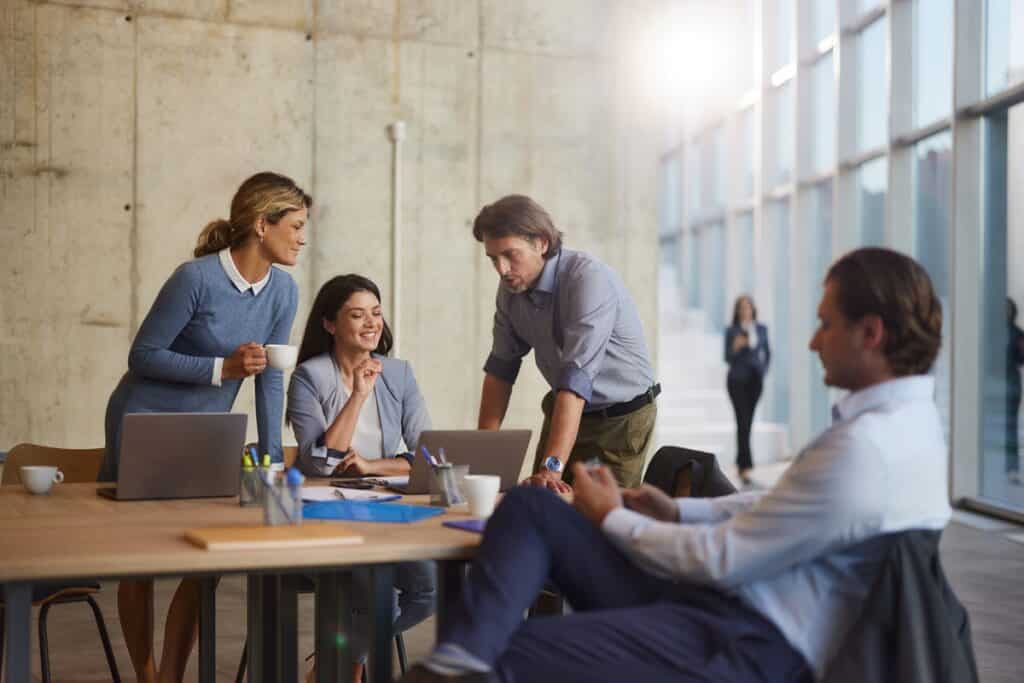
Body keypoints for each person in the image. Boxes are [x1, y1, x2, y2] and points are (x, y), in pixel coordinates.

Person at [402, 247, 950, 683]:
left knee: (511, 652)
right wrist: (677, 511)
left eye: (825, 324)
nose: (812, 341)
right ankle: (457, 664)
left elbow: (722, 560)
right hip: (724, 605)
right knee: (533, 505)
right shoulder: (901, 428)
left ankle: (462, 662)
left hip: (744, 640)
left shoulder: (865, 451)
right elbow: (790, 506)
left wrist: (612, 515)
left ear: (871, 333)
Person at [100, 172, 310, 683]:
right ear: (263, 224)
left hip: (210, 433)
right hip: (146, 422)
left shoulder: (283, 290)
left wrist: (269, 456)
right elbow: (143, 355)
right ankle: (148, 678)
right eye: (296, 226)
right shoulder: (195, 279)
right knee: (141, 563)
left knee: (204, 564)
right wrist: (222, 369)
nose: (303, 238)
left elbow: (269, 378)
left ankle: (172, 675)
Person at [287, 274, 436, 682]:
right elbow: (319, 462)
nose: (372, 323)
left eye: (376, 313)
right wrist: (358, 395)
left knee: (432, 587)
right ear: (330, 324)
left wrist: (371, 467)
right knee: (376, 589)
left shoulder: (400, 374)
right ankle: (348, 667)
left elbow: (427, 454)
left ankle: (339, 662)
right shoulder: (310, 377)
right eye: (357, 314)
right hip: (326, 512)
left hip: (386, 507)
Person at [473, 195, 659, 492]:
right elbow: (501, 369)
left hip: (620, 421)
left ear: (541, 243)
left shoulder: (587, 278)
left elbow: (577, 377)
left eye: (510, 254)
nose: (502, 269)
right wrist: (482, 452)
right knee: (540, 503)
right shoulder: (510, 289)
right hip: (566, 409)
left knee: (598, 523)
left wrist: (552, 468)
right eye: (493, 258)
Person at [724, 295, 770, 485]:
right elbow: (726, 357)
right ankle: (745, 466)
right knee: (741, 421)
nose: (745, 311)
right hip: (737, 380)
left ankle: (742, 462)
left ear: (753, 309)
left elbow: (767, 352)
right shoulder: (731, 331)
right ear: (737, 311)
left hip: (755, 381)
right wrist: (735, 347)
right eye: (741, 308)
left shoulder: (761, 329)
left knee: (748, 422)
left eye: (748, 307)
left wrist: (763, 370)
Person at [1006, 297, 1024, 485]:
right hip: (995, 383)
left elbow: (1022, 359)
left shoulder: (1018, 334)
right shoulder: (991, 333)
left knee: (1010, 426)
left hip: (1011, 385)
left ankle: (1012, 468)